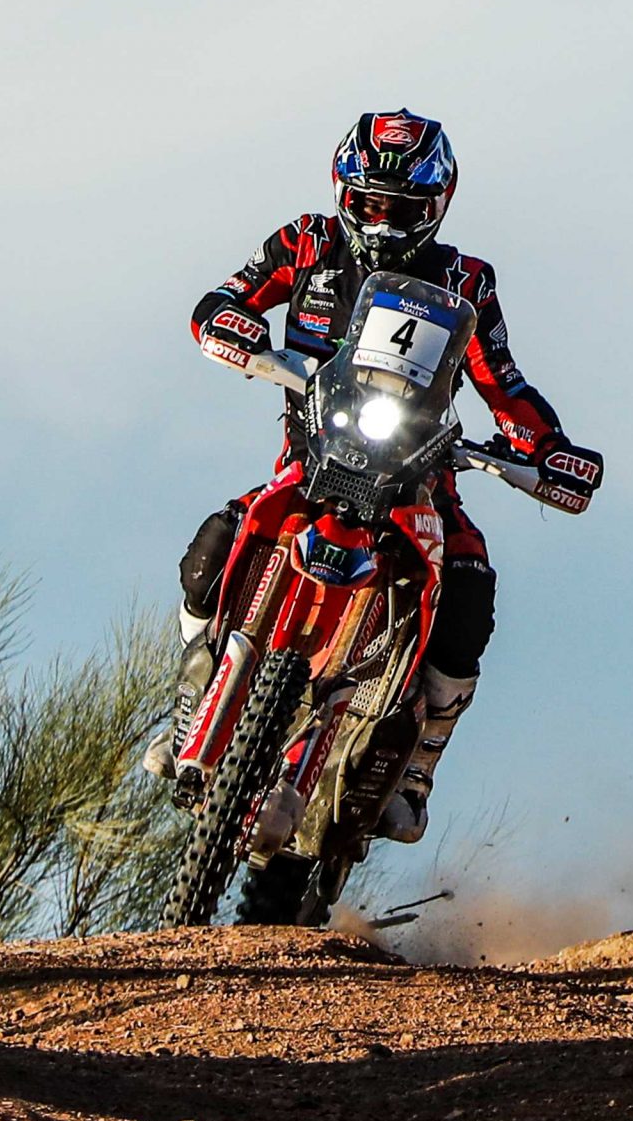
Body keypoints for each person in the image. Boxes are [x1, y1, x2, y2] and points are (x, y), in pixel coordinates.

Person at [143, 109, 603, 842]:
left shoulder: (465, 282)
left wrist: (544, 448)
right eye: (369, 204)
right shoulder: (308, 242)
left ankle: (416, 772)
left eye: (403, 210)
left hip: (420, 476)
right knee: (215, 542)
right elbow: (227, 296)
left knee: (470, 590)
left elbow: (504, 383)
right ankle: (190, 696)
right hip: (313, 455)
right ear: (343, 194)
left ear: (437, 205)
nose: (384, 224)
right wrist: (231, 324)